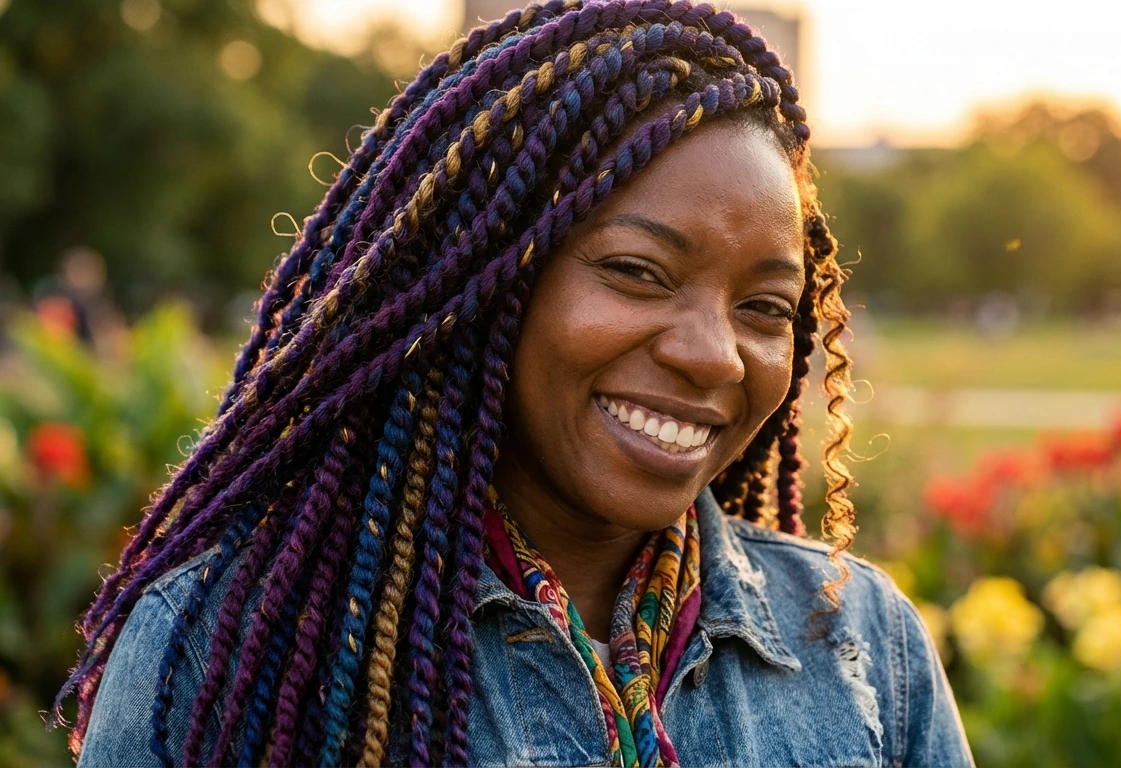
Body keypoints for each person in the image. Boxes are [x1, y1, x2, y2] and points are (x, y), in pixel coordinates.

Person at [62, 2, 972, 765]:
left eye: (766, 308)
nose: (714, 354)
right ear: (487, 287)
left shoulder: (863, 648)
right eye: (638, 273)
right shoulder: (222, 650)